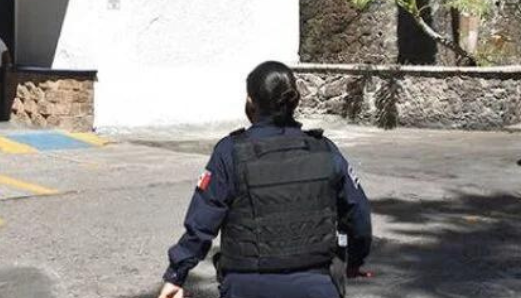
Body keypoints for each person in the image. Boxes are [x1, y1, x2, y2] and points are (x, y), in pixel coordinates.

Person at [158, 61, 372, 298]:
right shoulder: (325, 150)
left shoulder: (230, 152)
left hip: (246, 287)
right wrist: (355, 261)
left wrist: (176, 275)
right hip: (316, 285)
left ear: (251, 101)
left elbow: (203, 221)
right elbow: (358, 214)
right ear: (294, 101)